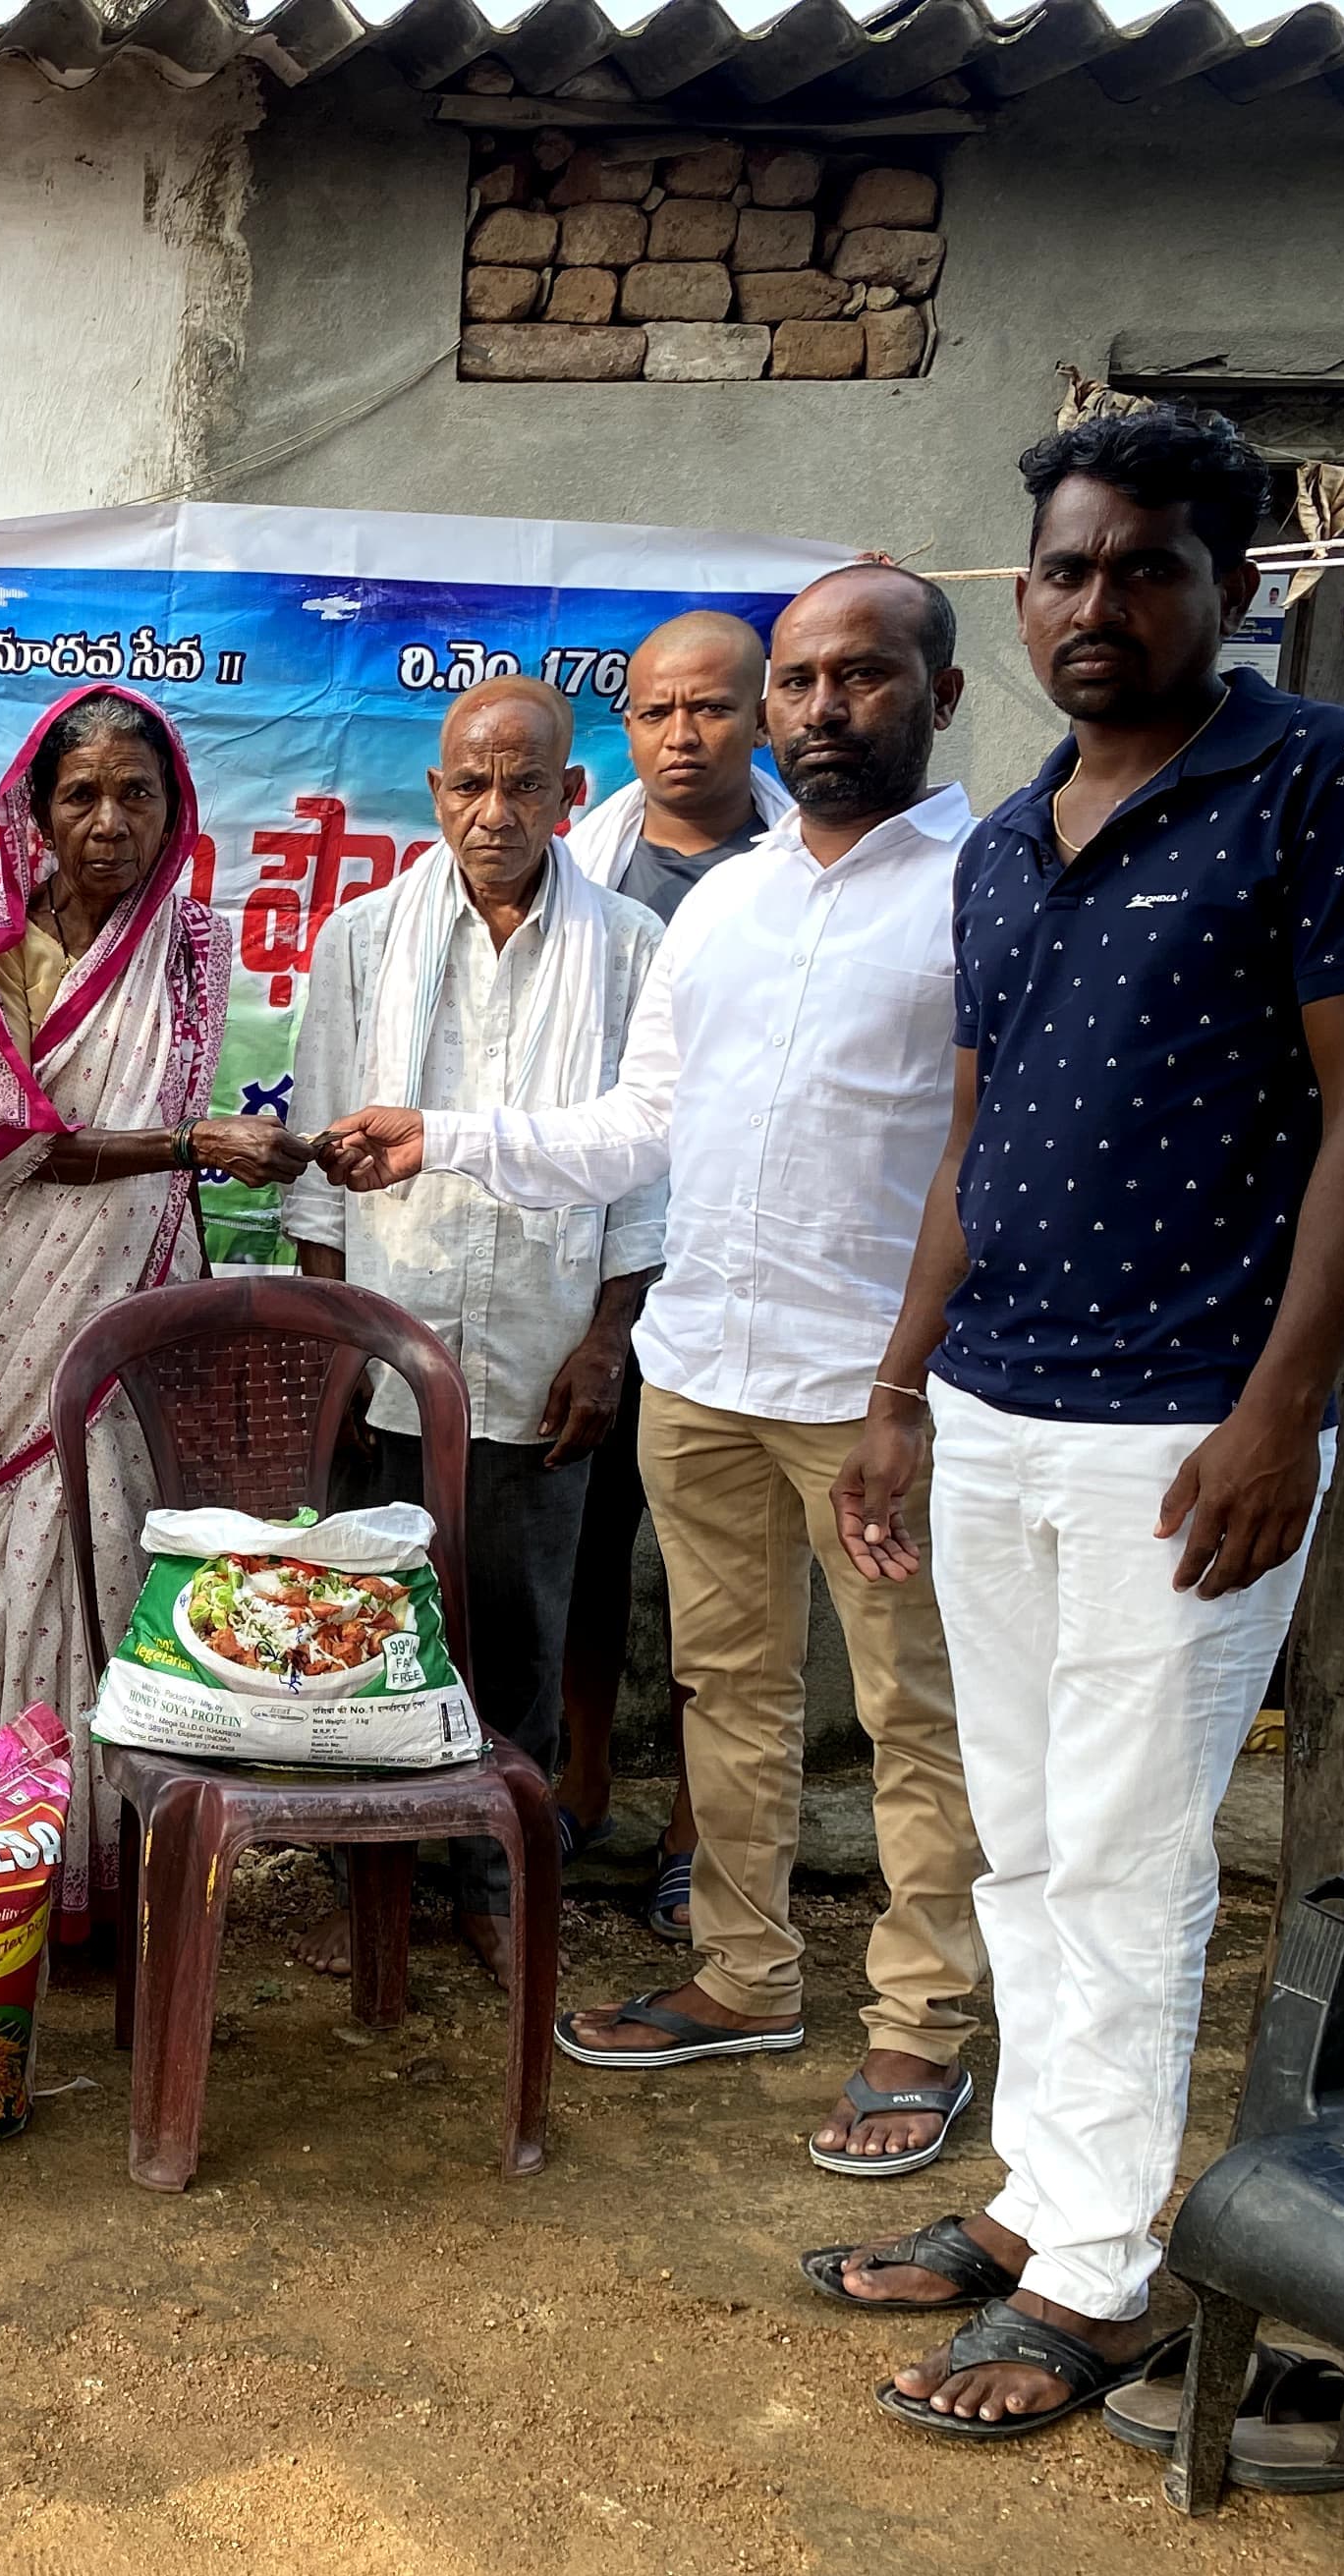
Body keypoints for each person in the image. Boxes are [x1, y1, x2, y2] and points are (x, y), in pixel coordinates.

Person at [822, 407, 1344, 2437]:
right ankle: (1040, 2199)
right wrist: (900, 1389)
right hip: (995, 1407)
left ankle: (1096, 2277)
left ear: (1230, 585)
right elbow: (972, 1137)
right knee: (1024, 1835)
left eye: (1145, 566)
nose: (1099, 603)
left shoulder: (1328, 786)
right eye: (1068, 570)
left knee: (1125, 1847)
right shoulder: (1008, 841)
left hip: (1185, 1430)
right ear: (1024, 597)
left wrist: (1283, 1408)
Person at [313, 566, 997, 2175]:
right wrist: (444, 1136)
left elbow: (990, 1152)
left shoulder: (985, 889)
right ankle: (747, 1975)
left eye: (859, 678)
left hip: (868, 1384)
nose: (821, 710)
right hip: (707, 1368)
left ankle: (919, 2020)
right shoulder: (732, 907)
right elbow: (638, 1130)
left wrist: (909, 1385)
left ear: (941, 696)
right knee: (726, 1691)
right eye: (801, 683)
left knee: (913, 1706)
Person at [279, 677, 667, 1975]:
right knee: (369, 1622)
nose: (494, 811)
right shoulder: (362, 937)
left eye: (524, 784)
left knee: (517, 1629)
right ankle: (367, 1879)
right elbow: (321, 1154)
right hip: (389, 1343)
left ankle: (497, 1880)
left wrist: (608, 1342)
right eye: (470, 784)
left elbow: (646, 1166)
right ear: (436, 792)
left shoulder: (630, 947)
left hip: (543, 1345)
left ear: (570, 794)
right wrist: (335, 1344)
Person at [0, 683, 305, 1944]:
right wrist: (194, 1144)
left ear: (173, 807)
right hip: (16, 1285)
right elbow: (15, 1145)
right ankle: (8, 1853)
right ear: (38, 812)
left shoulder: (193, 946)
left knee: (120, 1546)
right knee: (20, 1537)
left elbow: (155, 1129)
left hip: (142, 1279)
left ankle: (118, 1863)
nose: (108, 821)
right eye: (81, 794)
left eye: (135, 794)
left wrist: (201, 1156)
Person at [551, 612, 798, 1933]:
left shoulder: (804, 864)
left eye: (711, 709)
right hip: (600, 1270)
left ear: (760, 717)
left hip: (748, 1265)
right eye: (656, 711)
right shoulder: (583, 869)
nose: (683, 735)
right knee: (586, 1551)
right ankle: (581, 1787)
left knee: (727, 1582)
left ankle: (702, 1832)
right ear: (626, 725)